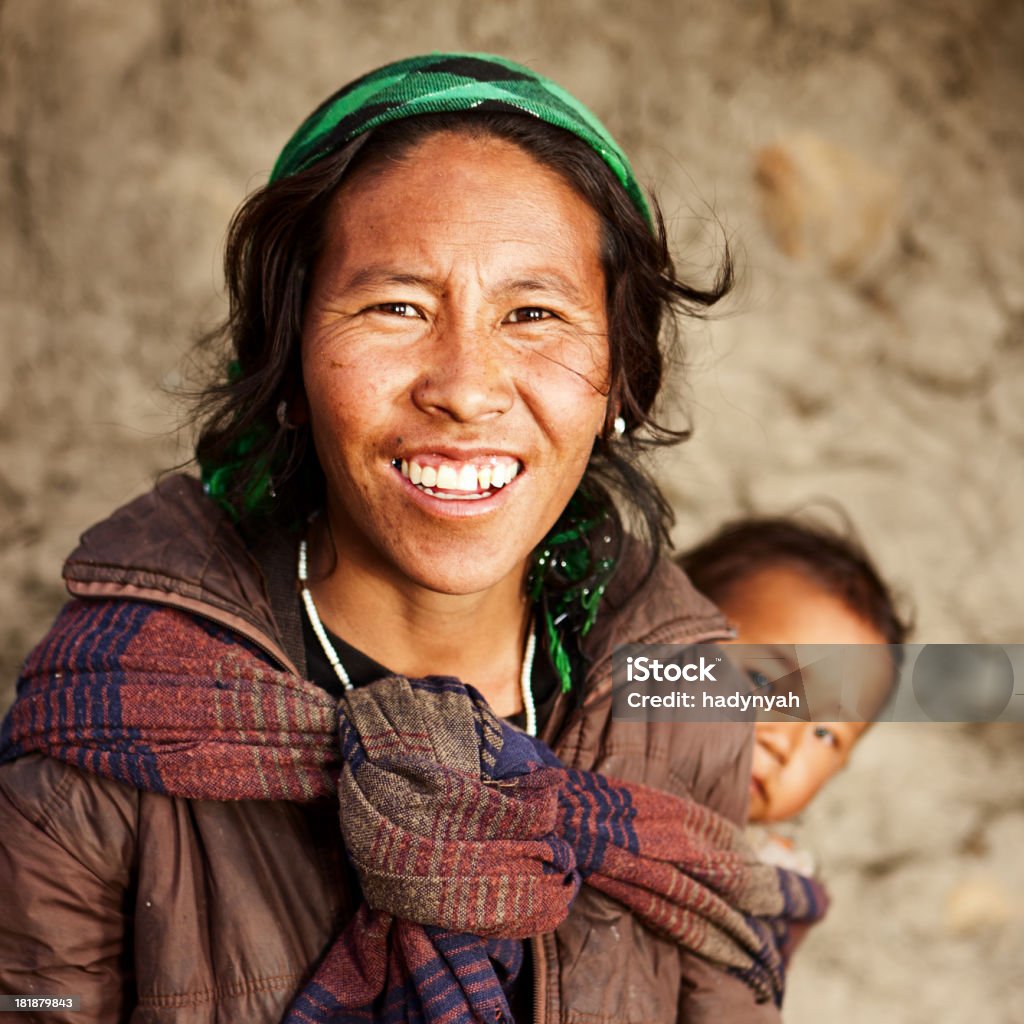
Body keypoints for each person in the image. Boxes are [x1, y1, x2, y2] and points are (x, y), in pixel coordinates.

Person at [0, 55, 820, 1024]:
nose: (466, 387)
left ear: (620, 381)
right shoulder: (112, 727)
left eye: (534, 314)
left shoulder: (678, 704)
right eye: (396, 306)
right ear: (289, 359)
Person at [678, 515, 911, 858]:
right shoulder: (581, 740)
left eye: (825, 734)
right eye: (763, 682)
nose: (783, 742)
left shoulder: (771, 882)